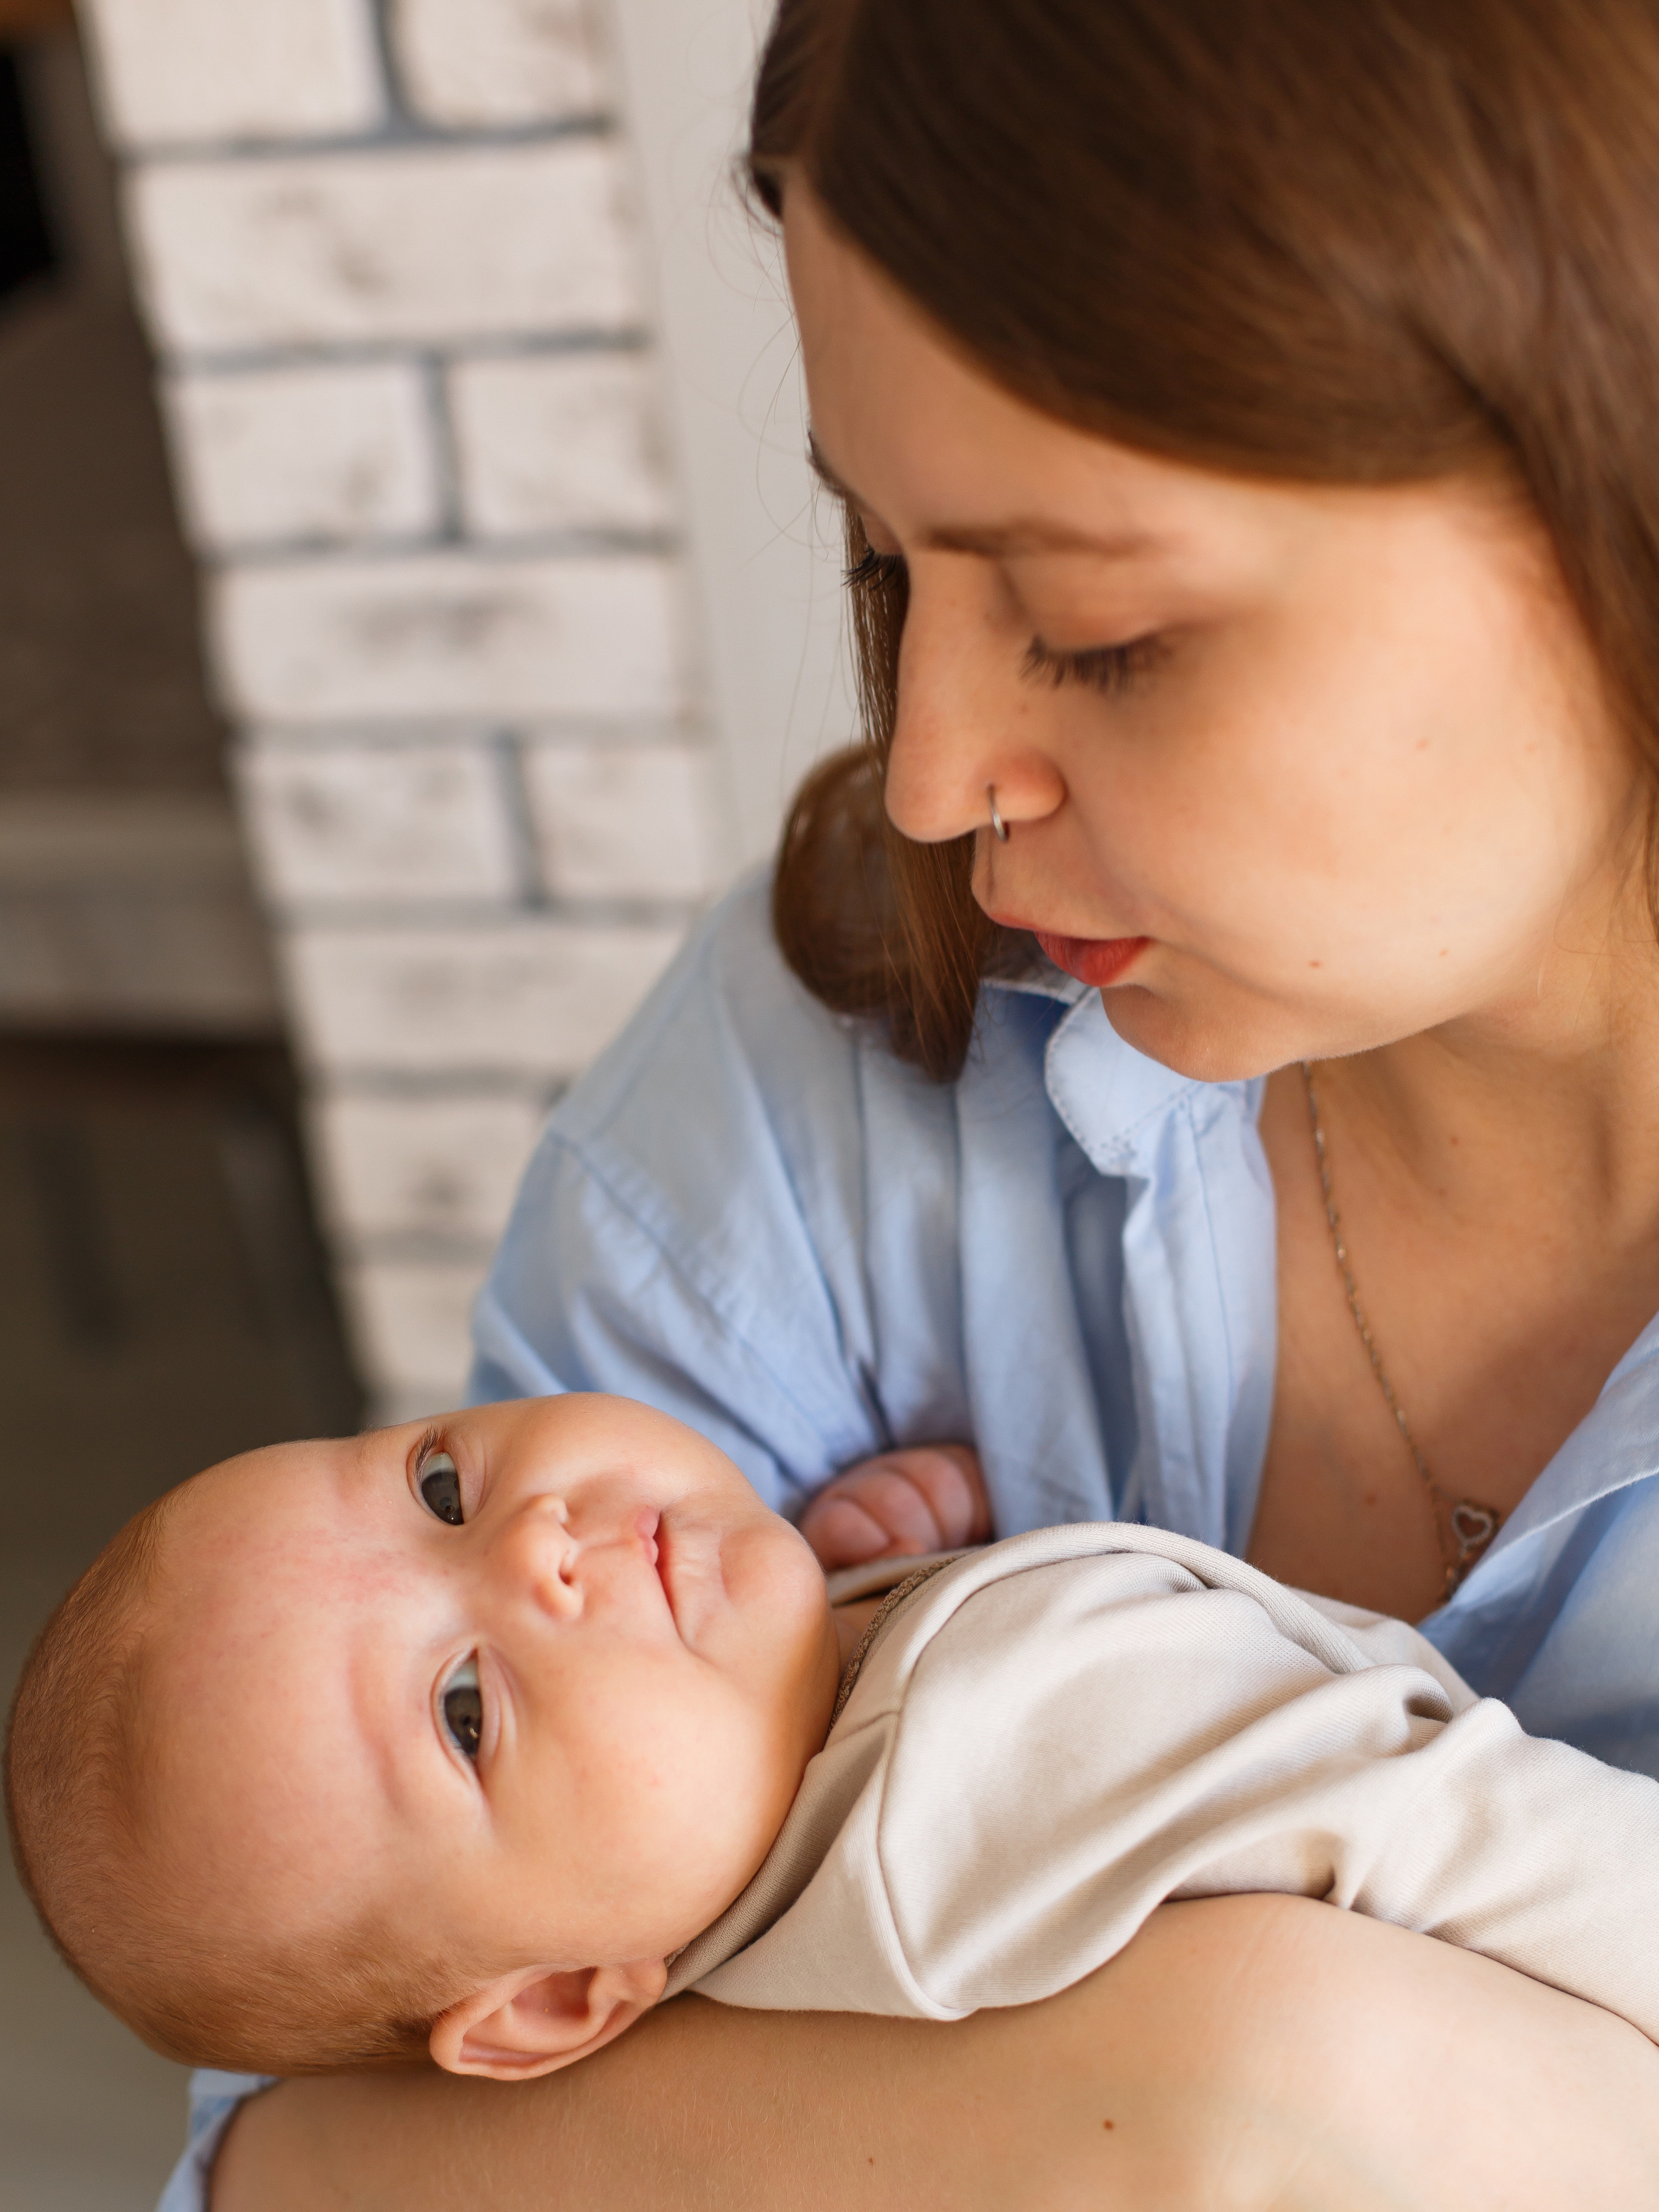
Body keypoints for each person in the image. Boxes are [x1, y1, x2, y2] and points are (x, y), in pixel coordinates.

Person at [188, 0, 1659, 2201]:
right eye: (889, 568)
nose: (934, 775)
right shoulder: (822, 1059)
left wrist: (1317, 2083)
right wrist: (1212, 2088)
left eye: (1097, 627)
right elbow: (297, 2106)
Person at [16, 1395, 1659, 2095]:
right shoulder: (1006, 1746)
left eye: (438, 1486)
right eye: (462, 1707)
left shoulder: (781, 1938)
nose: (532, 1545)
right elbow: (1469, 1836)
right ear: (559, 2002)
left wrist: (884, 1565)